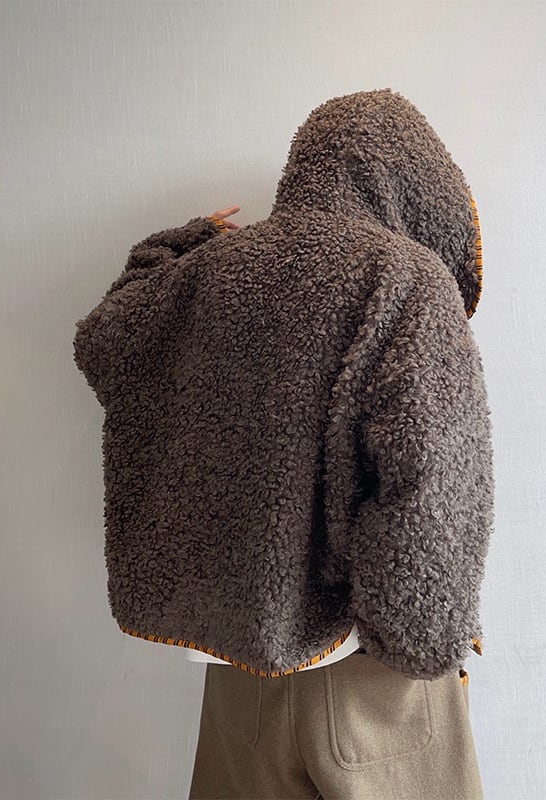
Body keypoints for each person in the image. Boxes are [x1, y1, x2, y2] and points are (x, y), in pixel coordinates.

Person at [73, 88, 493, 799]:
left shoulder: (211, 274)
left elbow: (108, 337)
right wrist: (424, 639)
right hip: (369, 675)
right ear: (413, 182)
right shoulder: (407, 277)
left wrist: (187, 242)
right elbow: (433, 482)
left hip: (239, 675)